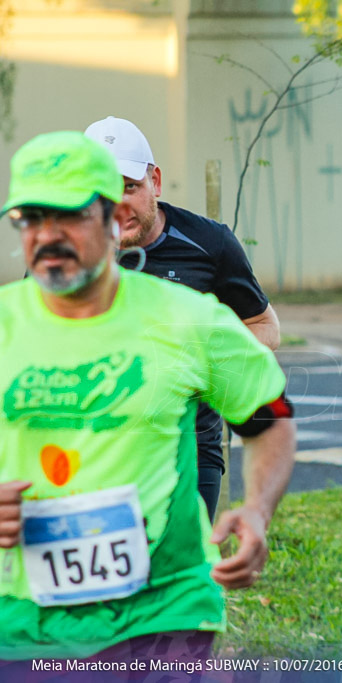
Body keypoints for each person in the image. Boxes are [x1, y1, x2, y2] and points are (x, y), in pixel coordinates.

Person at [0, 131, 296, 668]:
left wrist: (256, 509)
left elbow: (271, 418)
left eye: (68, 216)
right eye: (31, 219)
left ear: (110, 218)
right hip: (22, 615)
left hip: (164, 613)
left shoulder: (186, 317)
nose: (48, 235)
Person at [85, 116, 281, 520]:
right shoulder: (65, 254)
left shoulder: (208, 243)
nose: (118, 207)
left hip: (189, 452)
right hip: (91, 452)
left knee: (179, 577)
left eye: (129, 187)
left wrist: (201, 364)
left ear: (155, 181)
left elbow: (264, 328)